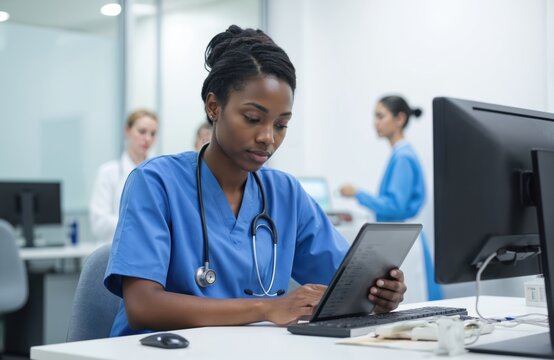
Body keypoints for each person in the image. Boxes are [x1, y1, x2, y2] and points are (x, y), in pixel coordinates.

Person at [104, 25, 406, 337]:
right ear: (214, 107)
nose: (267, 138)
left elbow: (344, 285)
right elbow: (143, 307)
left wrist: (380, 291)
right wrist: (267, 308)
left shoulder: (285, 195)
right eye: (252, 118)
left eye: (281, 124)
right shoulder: (155, 183)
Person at [339, 95, 442, 302]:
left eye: (380, 116)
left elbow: (395, 206)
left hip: (406, 242)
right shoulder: (402, 153)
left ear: (399, 119)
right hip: (405, 238)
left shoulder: (403, 156)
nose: (375, 122)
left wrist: (357, 193)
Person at [89, 109, 158, 243]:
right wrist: (139, 222)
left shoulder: (159, 173)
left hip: (149, 249)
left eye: (153, 134)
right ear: (127, 131)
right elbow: (99, 224)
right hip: (114, 250)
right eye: (142, 131)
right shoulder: (108, 172)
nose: (148, 138)